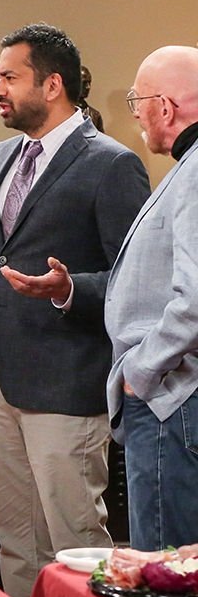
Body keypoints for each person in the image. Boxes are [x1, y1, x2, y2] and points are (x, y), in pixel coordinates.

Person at [0, 24, 148, 597]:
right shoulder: (2, 157)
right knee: (14, 539)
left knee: (74, 539)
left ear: (53, 84)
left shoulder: (112, 164)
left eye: (8, 77)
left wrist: (69, 289)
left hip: (67, 384)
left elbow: (137, 279)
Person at [106, 46, 198, 551]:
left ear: (164, 107)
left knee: (165, 571)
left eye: (138, 101)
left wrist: (141, 370)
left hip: (172, 398)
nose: (136, 114)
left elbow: (196, 297)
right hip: (173, 397)